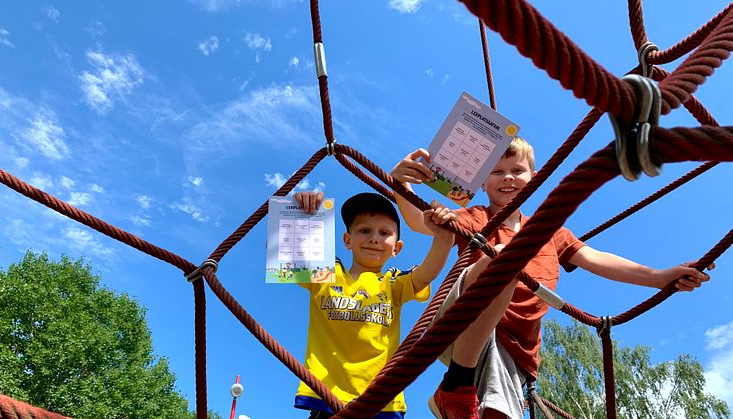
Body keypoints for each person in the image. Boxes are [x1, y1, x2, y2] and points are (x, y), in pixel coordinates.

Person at [390, 137, 712, 419]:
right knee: (503, 253)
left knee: (497, 413)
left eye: (517, 170)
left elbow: (596, 259)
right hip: (461, 321)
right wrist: (401, 185)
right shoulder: (476, 216)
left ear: (532, 177)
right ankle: (456, 383)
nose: (507, 178)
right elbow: (420, 222)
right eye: (496, 172)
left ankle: (456, 395)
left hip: (516, 346)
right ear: (483, 182)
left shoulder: (549, 232)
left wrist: (658, 277)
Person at [292, 190, 457, 418]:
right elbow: (294, 258)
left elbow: (425, 274)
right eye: (364, 230)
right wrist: (303, 214)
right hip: (327, 398)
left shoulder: (392, 283)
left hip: (379, 400)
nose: (374, 238)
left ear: (396, 248)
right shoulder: (327, 275)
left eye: (384, 233)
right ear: (347, 240)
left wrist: (444, 239)